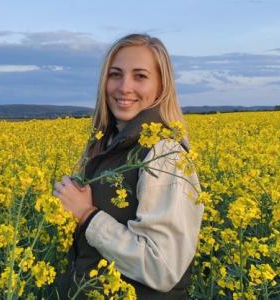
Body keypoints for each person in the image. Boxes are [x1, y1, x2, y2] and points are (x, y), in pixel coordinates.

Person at [53, 33, 204, 299]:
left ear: (161, 86)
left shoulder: (164, 154)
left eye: (140, 76)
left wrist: (87, 215)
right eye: (115, 74)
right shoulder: (108, 144)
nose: (124, 87)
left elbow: (163, 267)